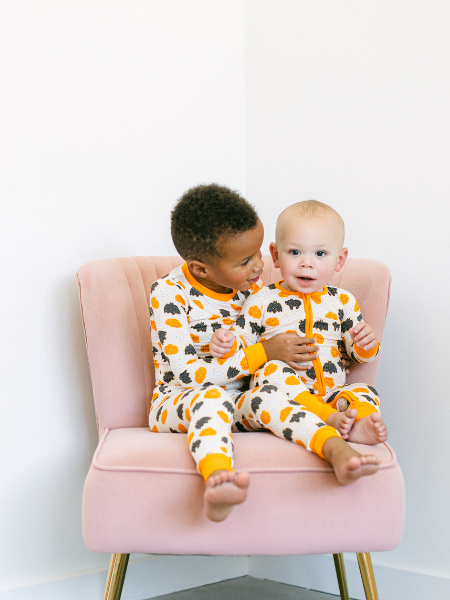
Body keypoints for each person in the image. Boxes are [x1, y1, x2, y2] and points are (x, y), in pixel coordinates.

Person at [149, 185, 381, 523]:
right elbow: (188, 375)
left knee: (271, 394)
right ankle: (217, 480)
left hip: (241, 400)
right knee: (211, 399)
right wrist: (266, 352)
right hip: (180, 400)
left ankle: (336, 449)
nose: (260, 266)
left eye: (259, 252)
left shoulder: (252, 290)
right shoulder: (168, 294)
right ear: (201, 269)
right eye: (246, 261)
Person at [210, 200, 387, 446]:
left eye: (320, 254)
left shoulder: (343, 302)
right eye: (295, 252)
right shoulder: (261, 299)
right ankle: (327, 418)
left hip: (333, 396)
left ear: (340, 260)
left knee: (364, 392)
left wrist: (365, 344)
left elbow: (359, 355)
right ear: (275, 255)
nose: (307, 262)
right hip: (286, 400)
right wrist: (225, 343)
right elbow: (242, 345)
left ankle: (359, 426)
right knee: (270, 371)